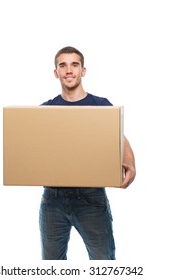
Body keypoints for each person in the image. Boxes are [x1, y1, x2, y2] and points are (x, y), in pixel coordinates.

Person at [39, 46, 136, 260]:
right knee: (50, 267)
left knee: (103, 263)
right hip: (53, 199)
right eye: (62, 65)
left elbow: (119, 137)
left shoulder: (101, 106)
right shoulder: (45, 110)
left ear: (83, 71)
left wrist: (131, 164)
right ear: (56, 73)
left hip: (91, 197)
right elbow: (33, 147)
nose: (69, 70)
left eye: (74, 64)